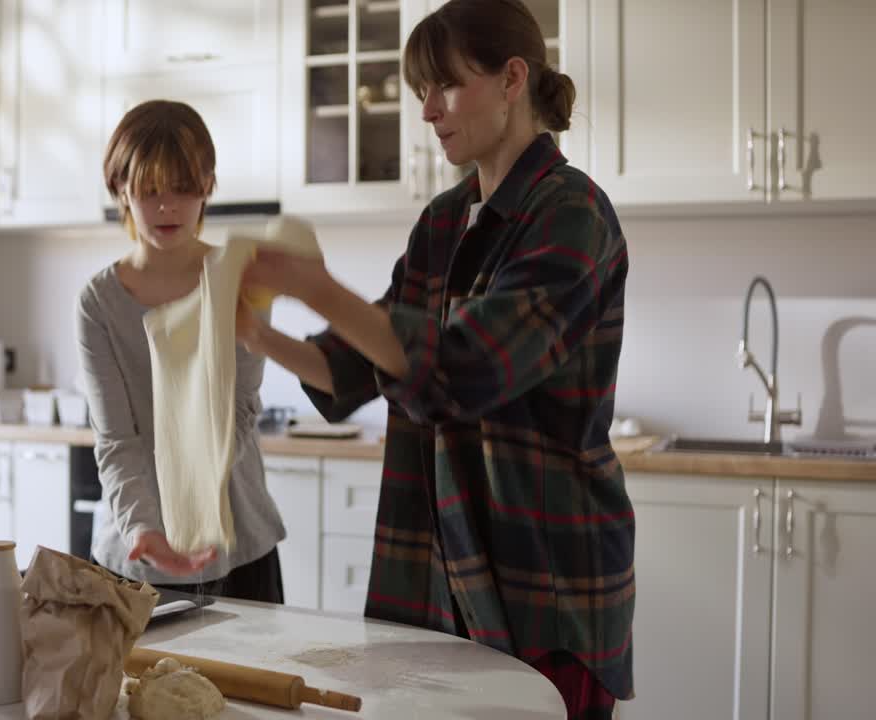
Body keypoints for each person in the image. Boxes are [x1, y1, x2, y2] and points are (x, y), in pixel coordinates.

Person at [236, 0, 634, 716]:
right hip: (438, 573)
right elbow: (356, 366)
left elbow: (464, 368)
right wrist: (259, 335)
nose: (427, 111)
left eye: (445, 85)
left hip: (545, 583)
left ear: (513, 79)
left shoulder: (572, 213)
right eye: (422, 90)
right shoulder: (444, 220)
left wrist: (314, 286)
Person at [76, 99, 286, 603]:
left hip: (236, 545)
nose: (167, 206)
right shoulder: (98, 303)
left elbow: (240, 409)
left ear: (207, 185)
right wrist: (144, 527)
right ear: (120, 189)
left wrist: (193, 508)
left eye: (183, 186)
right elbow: (116, 439)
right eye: (150, 190)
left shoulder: (242, 281)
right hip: (134, 550)